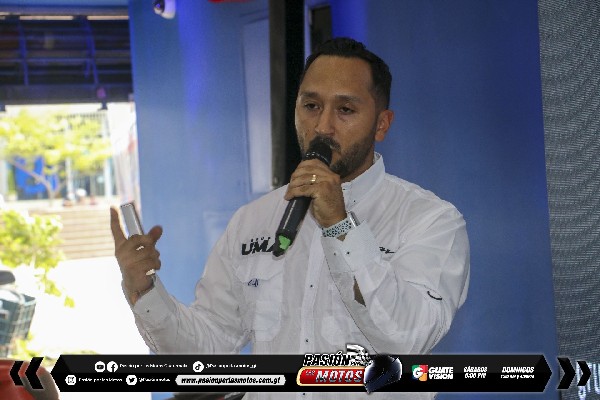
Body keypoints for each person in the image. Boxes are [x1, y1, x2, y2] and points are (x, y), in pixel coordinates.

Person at [110, 37, 470, 399]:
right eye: (311, 106)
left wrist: (339, 226)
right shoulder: (253, 220)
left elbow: (407, 338)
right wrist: (145, 291)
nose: (323, 126)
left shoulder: (430, 221)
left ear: (381, 124)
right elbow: (208, 351)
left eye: (345, 109)